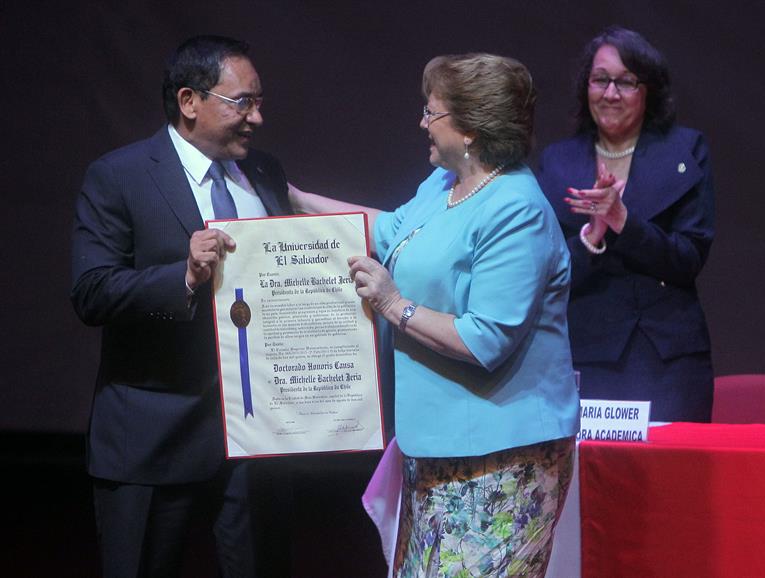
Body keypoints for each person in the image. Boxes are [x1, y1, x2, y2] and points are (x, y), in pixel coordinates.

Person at [290, 53, 579, 578]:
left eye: (432, 113)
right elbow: (389, 230)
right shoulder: (443, 186)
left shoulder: (516, 209)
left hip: (500, 460)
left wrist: (393, 304)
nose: (422, 123)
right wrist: (294, 200)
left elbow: (485, 339)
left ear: (470, 127)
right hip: (437, 452)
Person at [71, 35, 292, 577]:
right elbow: (92, 291)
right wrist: (185, 276)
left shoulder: (264, 173)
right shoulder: (118, 175)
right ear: (190, 101)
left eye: (259, 102)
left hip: (253, 438)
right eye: (243, 102)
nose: (256, 117)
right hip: (153, 437)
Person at [537, 26, 715, 422]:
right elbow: (546, 271)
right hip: (583, 352)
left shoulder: (685, 151)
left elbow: (688, 258)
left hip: (668, 358)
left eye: (626, 82)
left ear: (648, 89)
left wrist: (623, 222)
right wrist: (592, 237)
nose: (610, 93)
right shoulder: (557, 161)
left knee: (671, 481)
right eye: (600, 80)